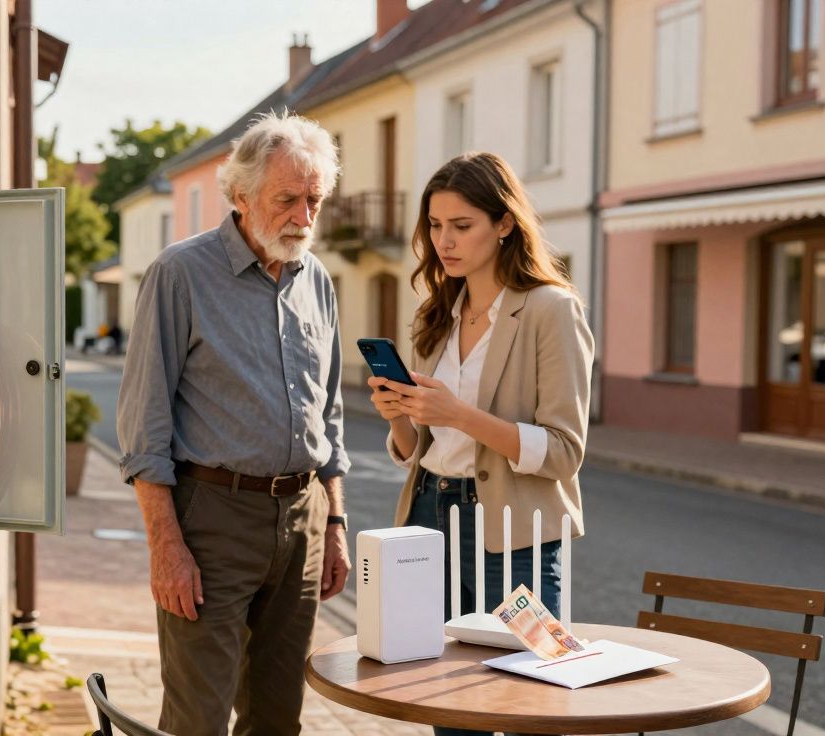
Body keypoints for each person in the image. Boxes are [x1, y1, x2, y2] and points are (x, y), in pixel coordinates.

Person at [117, 111, 351, 736]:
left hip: (303, 521)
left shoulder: (318, 280)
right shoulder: (180, 273)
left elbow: (327, 413)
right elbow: (144, 426)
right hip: (210, 521)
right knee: (198, 720)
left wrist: (335, 523)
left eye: (314, 200)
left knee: (278, 719)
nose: (304, 217)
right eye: (287, 200)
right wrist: (165, 546)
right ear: (241, 196)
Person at [367, 152, 592, 736]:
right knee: (448, 699)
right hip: (429, 520)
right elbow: (419, 446)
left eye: (461, 225)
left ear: (504, 224)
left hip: (517, 532)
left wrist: (462, 415)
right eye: (435, 226)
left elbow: (565, 451)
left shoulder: (551, 310)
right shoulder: (434, 314)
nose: (444, 240)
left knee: (533, 699)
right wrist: (398, 418)